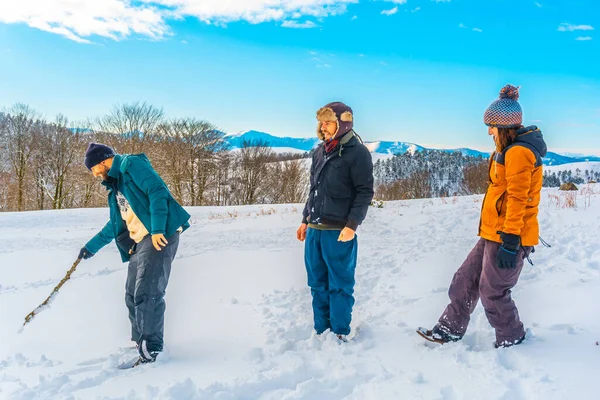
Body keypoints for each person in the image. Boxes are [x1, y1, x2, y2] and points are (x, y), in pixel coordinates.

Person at [418, 85, 547, 348]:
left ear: (504, 127)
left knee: (493, 292)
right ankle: (449, 330)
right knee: (464, 281)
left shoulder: (519, 152)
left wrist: (511, 239)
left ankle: (513, 338)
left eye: (491, 126)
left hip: (509, 236)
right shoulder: (505, 150)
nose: (489, 131)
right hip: (493, 232)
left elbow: (517, 198)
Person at [79, 143, 190, 363]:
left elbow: (157, 192)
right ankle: (142, 342)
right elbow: (115, 224)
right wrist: (90, 247)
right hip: (140, 241)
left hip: (159, 234)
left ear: (102, 161)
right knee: (132, 294)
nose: (93, 174)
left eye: (92, 168)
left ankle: (153, 348)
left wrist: (158, 228)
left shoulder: (132, 165)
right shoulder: (116, 185)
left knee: (147, 292)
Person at [296, 101, 374, 341]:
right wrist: (305, 220)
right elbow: (313, 189)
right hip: (315, 229)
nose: (324, 127)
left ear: (343, 123)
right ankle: (321, 331)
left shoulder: (357, 152)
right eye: (322, 122)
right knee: (317, 283)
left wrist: (352, 225)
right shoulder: (320, 151)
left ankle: (339, 332)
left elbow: (364, 191)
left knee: (339, 285)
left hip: (339, 231)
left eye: (329, 122)